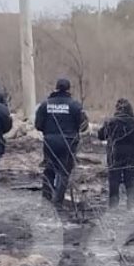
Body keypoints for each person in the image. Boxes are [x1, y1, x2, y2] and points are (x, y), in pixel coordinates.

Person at [34, 77, 88, 208]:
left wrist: (49, 131)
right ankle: (57, 202)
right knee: (64, 172)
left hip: (50, 141)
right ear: (69, 89)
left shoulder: (45, 105)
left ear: (56, 88)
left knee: (49, 170)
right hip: (68, 142)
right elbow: (84, 125)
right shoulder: (75, 105)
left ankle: (46, 199)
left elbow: (38, 125)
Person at [98, 98, 134, 209]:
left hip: (114, 153)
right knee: (129, 179)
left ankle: (113, 205)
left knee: (114, 179)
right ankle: (131, 205)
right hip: (131, 154)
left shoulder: (110, 122)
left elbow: (101, 136)